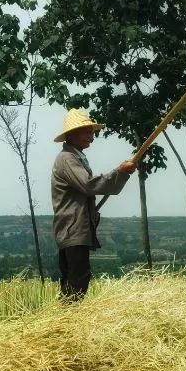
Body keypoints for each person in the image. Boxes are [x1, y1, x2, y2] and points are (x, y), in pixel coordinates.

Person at [51, 109, 137, 301]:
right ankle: (67, 318)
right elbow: (89, 185)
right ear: (72, 134)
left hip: (73, 227)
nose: (92, 136)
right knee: (78, 277)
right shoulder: (67, 158)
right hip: (72, 228)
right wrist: (119, 171)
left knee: (73, 277)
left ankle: (65, 318)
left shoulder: (76, 157)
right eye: (87, 131)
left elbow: (92, 186)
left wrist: (121, 173)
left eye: (92, 131)